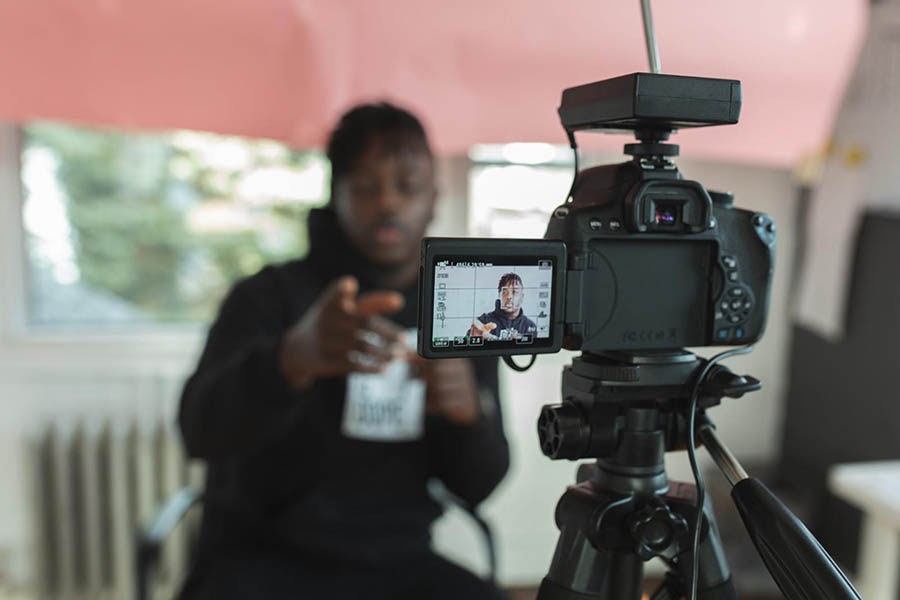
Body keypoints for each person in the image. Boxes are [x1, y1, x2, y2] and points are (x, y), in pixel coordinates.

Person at [177, 103, 510, 599]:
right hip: (260, 561)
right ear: (336, 195)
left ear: (435, 197)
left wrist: (470, 416)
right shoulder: (267, 296)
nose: (388, 204)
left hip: (398, 563)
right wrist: (290, 359)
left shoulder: (461, 312)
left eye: (408, 185)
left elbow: (480, 484)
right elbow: (197, 431)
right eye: (366, 186)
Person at [468, 273, 537, 341]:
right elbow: (465, 344)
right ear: (499, 296)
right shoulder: (484, 321)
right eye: (504, 292)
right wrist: (473, 338)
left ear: (522, 297)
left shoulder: (529, 325)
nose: (509, 297)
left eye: (514, 292)